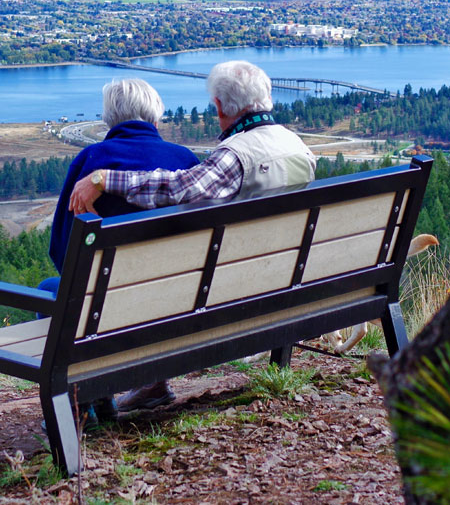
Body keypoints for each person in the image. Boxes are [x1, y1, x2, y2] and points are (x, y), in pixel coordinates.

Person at [69, 60, 317, 412]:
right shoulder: (298, 148)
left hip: (228, 292)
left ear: (218, 106)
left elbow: (180, 190)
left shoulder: (236, 157)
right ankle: (151, 386)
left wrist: (104, 179)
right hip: (284, 278)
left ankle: (91, 402)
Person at [42, 78, 198, 425]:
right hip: (180, 304)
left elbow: (63, 251)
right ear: (155, 118)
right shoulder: (186, 160)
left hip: (110, 310)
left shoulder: (93, 160)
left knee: (50, 290)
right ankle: (122, 393)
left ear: (110, 119)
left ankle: (88, 399)